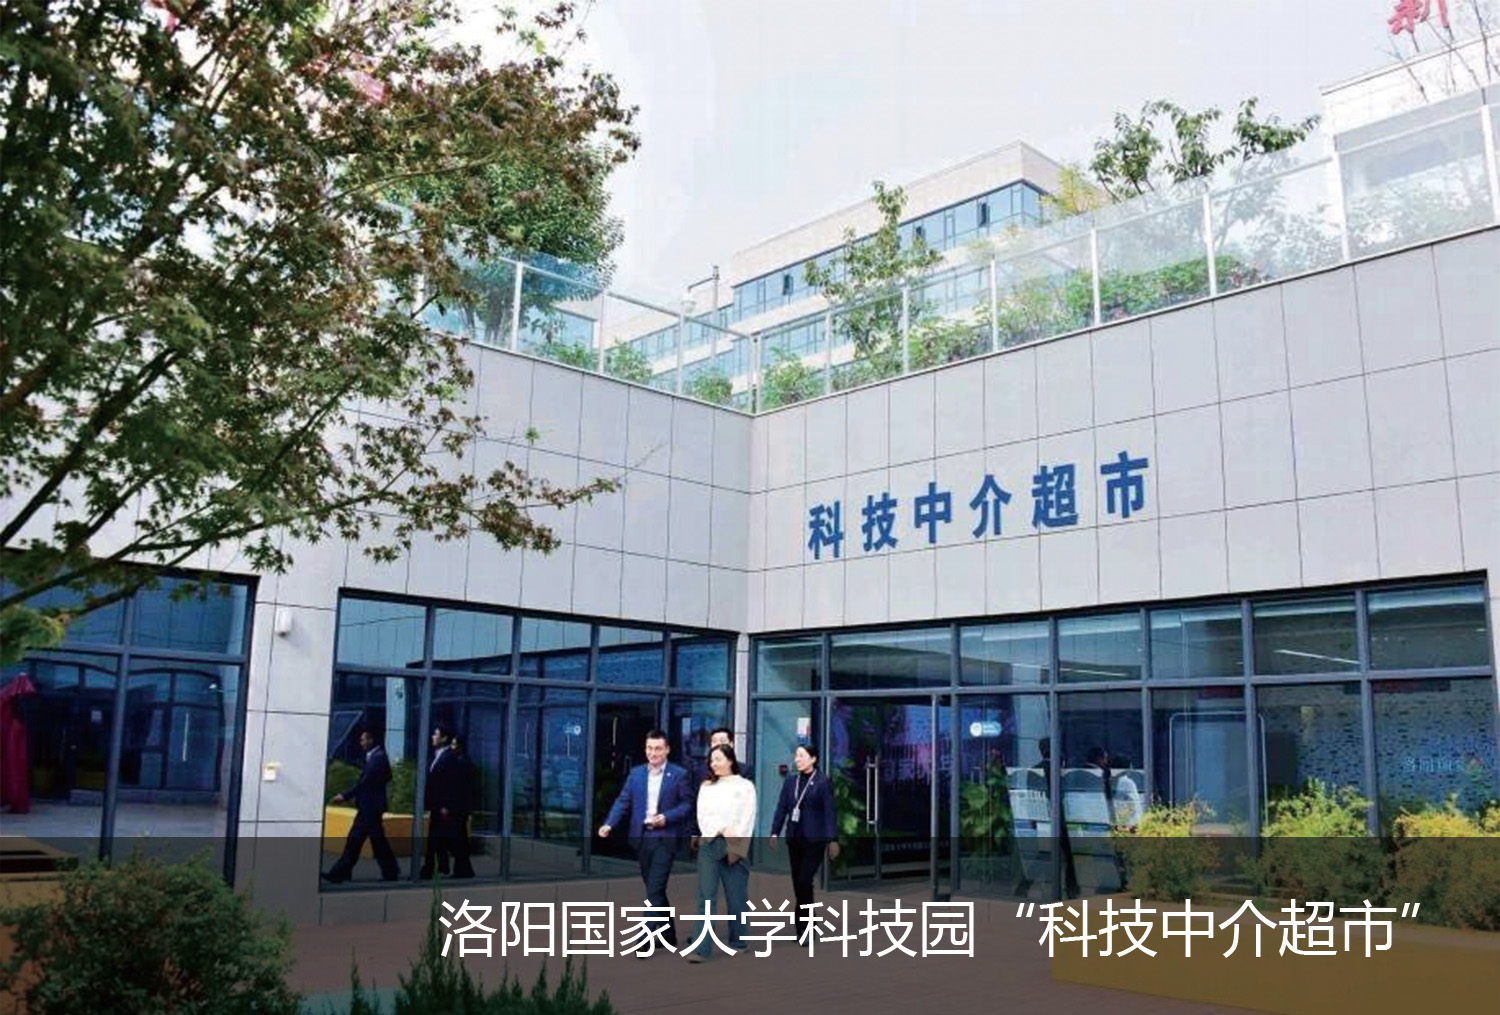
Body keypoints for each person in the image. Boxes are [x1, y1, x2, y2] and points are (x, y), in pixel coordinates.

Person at [598, 729, 694, 956]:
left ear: (667, 749)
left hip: (665, 838)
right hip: (642, 838)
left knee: (655, 888)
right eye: (649, 748)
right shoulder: (636, 774)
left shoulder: (679, 774)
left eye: (658, 748)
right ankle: (668, 934)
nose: (653, 753)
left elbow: (687, 804)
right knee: (655, 888)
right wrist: (609, 824)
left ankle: (644, 937)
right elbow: (623, 801)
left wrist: (667, 817)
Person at [685, 743, 756, 962]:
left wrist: (737, 846)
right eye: (712, 760)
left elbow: (747, 818)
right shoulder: (706, 786)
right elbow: (702, 816)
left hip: (735, 844)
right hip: (710, 843)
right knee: (706, 897)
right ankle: (701, 949)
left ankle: (739, 940)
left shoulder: (745, 786)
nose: (713, 764)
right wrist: (719, 830)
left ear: (730, 760)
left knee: (736, 897)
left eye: (718, 759)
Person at [768, 743, 837, 934]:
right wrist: (774, 832)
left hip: (815, 839)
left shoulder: (823, 782)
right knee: (798, 883)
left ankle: (804, 928)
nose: (797, 760)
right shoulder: (791, 781)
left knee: (805, 881)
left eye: (802, 756)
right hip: (795, 837)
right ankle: (808, 922)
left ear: (813, 759)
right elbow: (782, 808)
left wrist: (832, 839)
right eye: (796, 756)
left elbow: (830, 812)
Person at [323, 730, 400, 883]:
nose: (361, 743)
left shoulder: (378, 758)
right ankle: (390, 871)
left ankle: (340, 873)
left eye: (363, 740)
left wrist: (345, 795)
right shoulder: (376, 757)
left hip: (370, 808)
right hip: (370, 807)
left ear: (371, 740)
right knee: (375, 842)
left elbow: (364, 783)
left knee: (357, 840)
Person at [421, 725, 475, 879]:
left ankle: (432, 869)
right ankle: (438, 868)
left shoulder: (451, 758)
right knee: (440, 839)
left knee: (448, 839)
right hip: (437, 806)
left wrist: (447, 805)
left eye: (436, 734)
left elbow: (452, 784)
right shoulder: (437, 756)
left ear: (444, 738)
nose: (433, 737)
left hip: (445, 807)